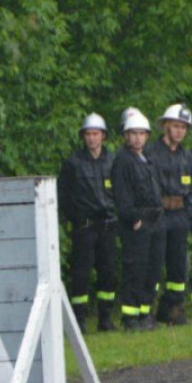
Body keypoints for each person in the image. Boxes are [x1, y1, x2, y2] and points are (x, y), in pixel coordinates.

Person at [58, 113, 117, 332]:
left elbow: (120, 190)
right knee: (81, 274)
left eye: (96, 134)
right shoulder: (73, 163)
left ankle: (105, 318)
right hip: (84, 226)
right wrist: (75, 217)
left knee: (108, 272)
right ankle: (79, 320)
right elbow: (63, 195)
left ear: (103, 136)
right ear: (83, 137)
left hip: (108, 225)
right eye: (88, 134)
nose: (92, 138)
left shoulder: (113, 161)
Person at [110, 110, 165, 331]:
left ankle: (145, 313)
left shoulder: (147, 158)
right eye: (133, 133)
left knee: (152, 269)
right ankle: (130, 318)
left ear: (147, 135)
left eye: (142, 133)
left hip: (155, 221)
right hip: (137, 222)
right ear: (126, 135)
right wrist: (134, 219)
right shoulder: (123, 160)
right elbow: (122, 195)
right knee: (135, 269)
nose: (137, 138)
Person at [145, 104, 192, 325]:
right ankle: (146, 309)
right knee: (153, 264)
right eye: (176, 126)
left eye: (183, 127)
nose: (179, 131)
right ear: (165, 126)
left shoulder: (187, 156)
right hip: (159, 215)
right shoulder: (151, 154)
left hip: (180, 215)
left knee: (178, 265)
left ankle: (173, 307)